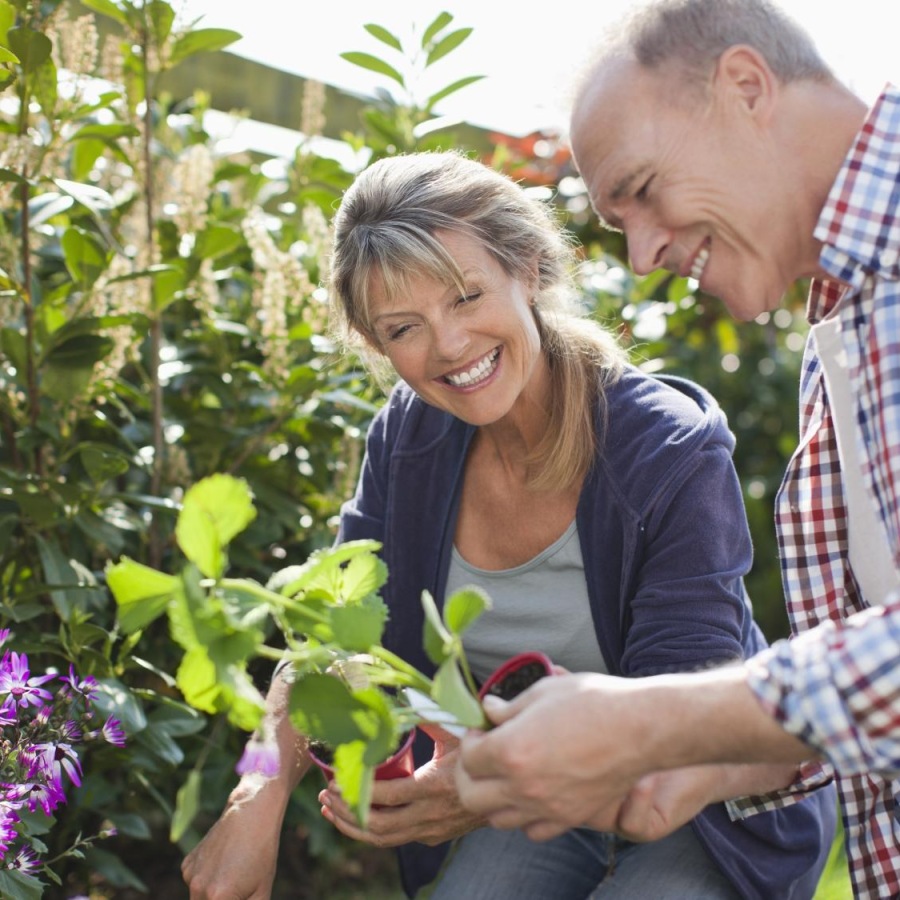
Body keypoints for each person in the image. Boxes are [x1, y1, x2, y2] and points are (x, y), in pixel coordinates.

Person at [180, 149, 836, 900]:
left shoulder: (667, 450)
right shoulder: (411, 440)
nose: (450, 346)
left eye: (465, 296)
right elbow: (327, 633)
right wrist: (252, 799)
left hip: (701, 798)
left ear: (527, 269)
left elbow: (675, 728)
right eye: (404, 327)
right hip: (520, 797)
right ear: (374, 343)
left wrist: (480, 789)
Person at [454, 1, 900, 897]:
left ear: (745, 86)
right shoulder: (846, 322)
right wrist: (707, 766)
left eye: (643, 189)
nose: (645, 252)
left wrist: (655, 722)